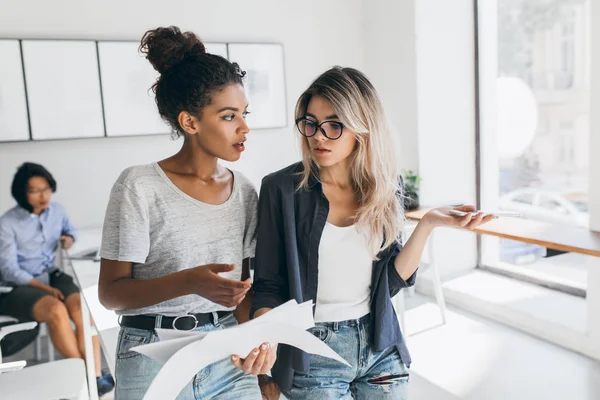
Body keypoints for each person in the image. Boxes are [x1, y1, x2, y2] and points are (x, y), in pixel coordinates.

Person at [250, 67, 495, 399]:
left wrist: (427, 224)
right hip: (313, 353)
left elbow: (391, 282)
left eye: (334, 125)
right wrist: (265, 347)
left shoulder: (385, 187)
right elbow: (268, 286)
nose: (318, 136)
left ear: (363, 129)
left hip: (380, 345)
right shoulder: (281, 189)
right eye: (310, 123)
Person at [98, 26, 273, 400]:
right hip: (150, 354)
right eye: (229, 116)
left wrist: (258, 353)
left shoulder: (244, 190)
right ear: (190, 122)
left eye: (244, 113)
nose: (244, 127)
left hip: (226, 353)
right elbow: (111, 294)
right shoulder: (139, 186)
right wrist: (188, 282)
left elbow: (239, 293)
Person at [0, 162, 114, 396]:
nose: (43, 196)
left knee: (81, 309)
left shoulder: (57, 211)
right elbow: (10, 270)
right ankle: (84, 377)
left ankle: (95, 376)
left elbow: (71, 231)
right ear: (22, 193)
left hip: (50, 275)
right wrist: (44, 288)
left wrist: (68, 239)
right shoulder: (7, 223)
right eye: (35, 191)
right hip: (17, 286)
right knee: (56, 310)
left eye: (47, 189)